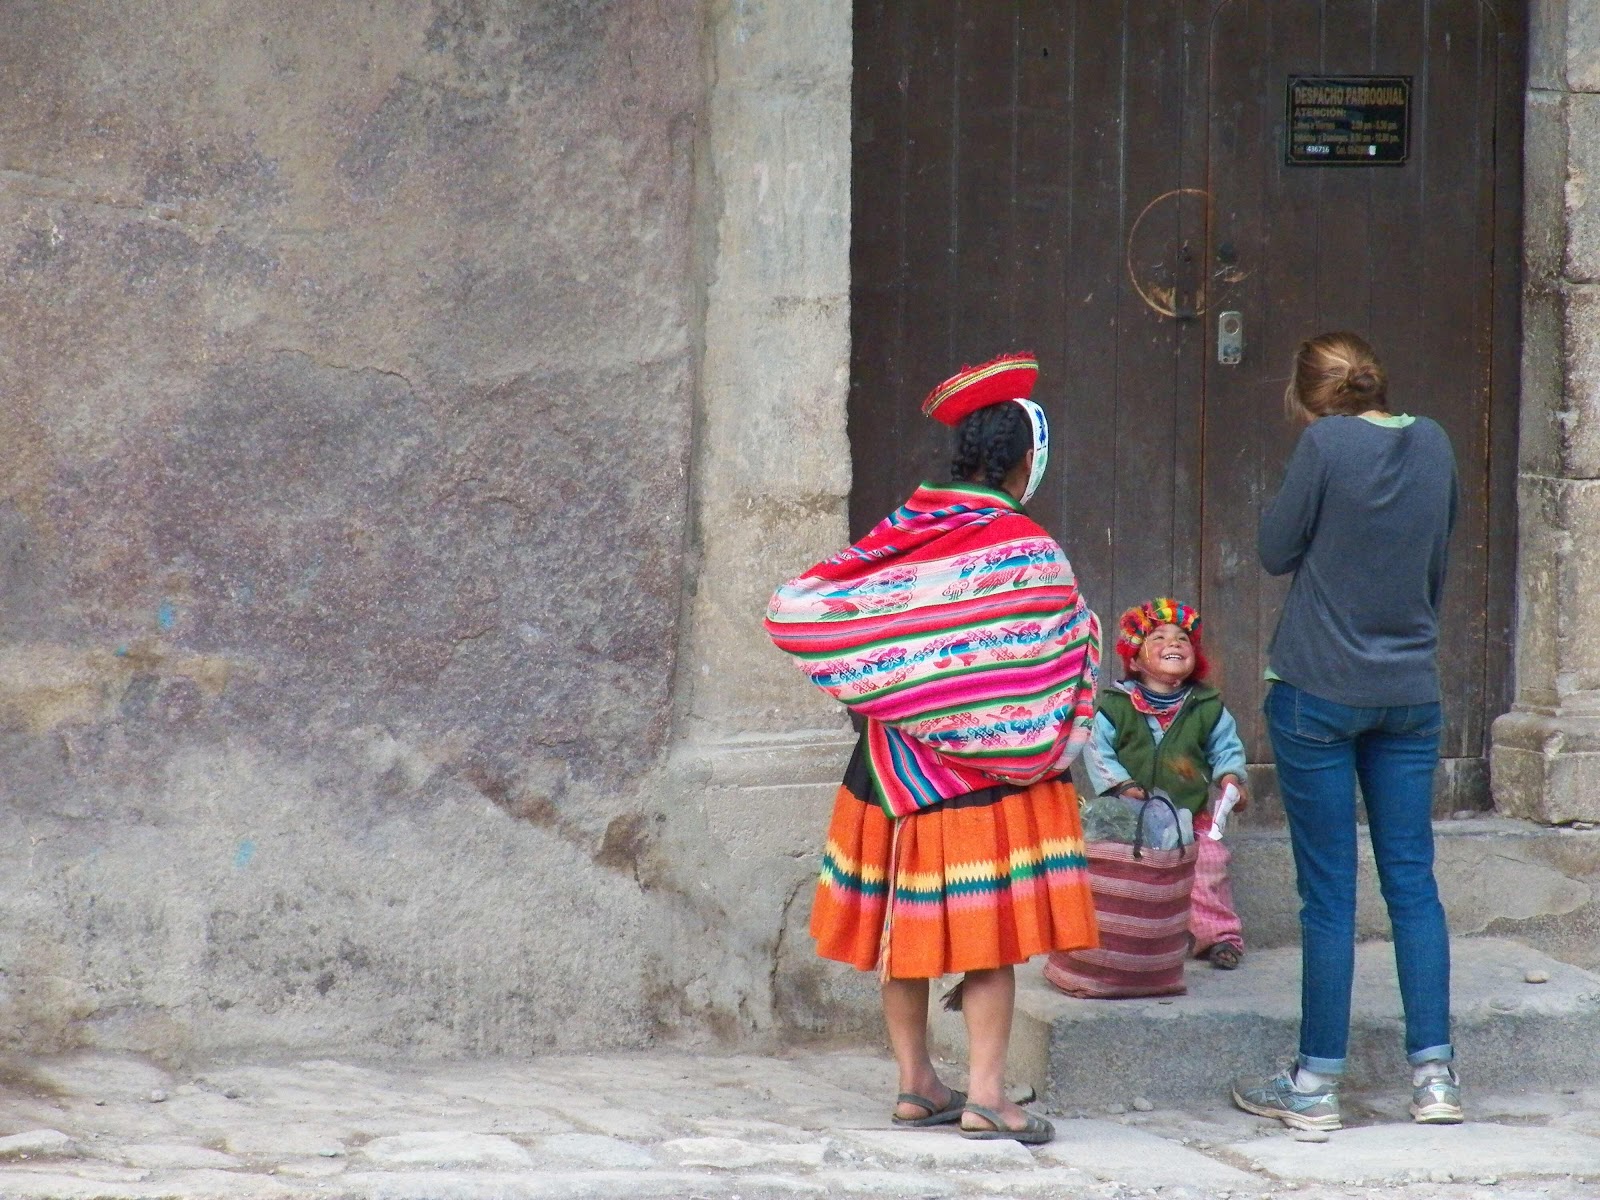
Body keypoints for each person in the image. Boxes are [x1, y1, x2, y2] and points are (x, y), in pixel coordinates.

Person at [765, 353, 1102, 1146]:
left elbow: (815, 610)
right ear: (1025, 462)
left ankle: (916, 1083)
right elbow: (1055, 651)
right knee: (987, 935)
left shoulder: (902, 532)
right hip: (985, 784)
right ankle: (988, 1094)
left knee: (903, 931)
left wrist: (910, 682)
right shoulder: (1027, 550)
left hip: (893, 771)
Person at [1231, 332, 1461, 1132]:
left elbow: (1271, 550)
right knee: (1412, 883)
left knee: (1328, 894)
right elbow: (1437, 559)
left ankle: (1314, 1086)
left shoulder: (1323, 446)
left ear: (1306, 398)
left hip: (1318, 691)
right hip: (1410, 689)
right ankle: (1434, 1078)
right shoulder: (1433, 441)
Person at [1082, 598, 1249, 968]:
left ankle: (1219, 938)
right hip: (1131, 820)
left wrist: (1231, 778)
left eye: (1182, 639)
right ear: (1136, 660)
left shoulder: (1207, 706)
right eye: (1158, 637)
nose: (1174, 643)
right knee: (1123, 873)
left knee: (1207, 864)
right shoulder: (1115, 705)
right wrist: (1122, 785)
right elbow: (1096, 749)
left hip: (1189, 816)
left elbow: (1226, 748)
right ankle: (1132, 941)